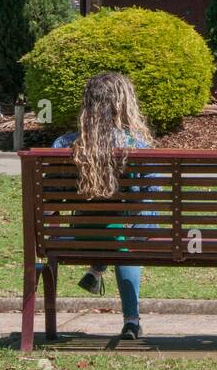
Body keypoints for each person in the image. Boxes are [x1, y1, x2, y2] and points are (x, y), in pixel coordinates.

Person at [52, 71, 153, 340]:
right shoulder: (136, 147)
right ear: (123, 105)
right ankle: (131, 321)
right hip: (122, 237)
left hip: (78, 236)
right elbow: (151, 194)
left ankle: (97, 267)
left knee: (108, 229)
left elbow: (53, 197)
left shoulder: (63, 145)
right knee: (126, 240)